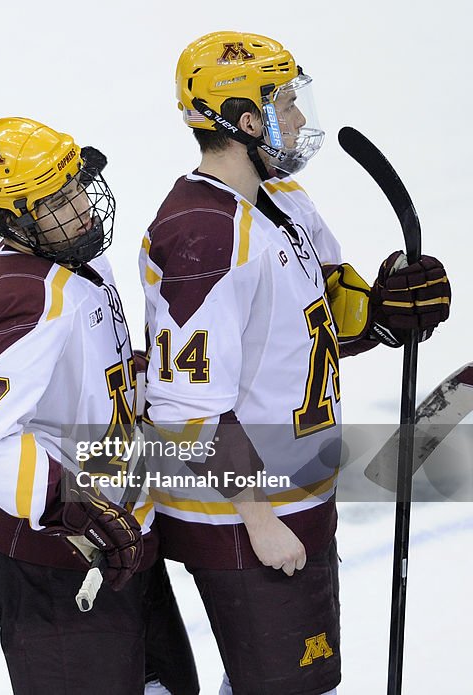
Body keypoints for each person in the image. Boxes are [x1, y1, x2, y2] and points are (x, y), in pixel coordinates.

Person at [139, 31, 451, 695]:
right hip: (239, 510)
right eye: (286, 103)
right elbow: (183, 406)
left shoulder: (284, 201)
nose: (301, 119)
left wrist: (389, 312)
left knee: (284, 681)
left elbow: (322, 320)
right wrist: (255, 516)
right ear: (245, 121)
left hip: (294, 488)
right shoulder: (202, 234)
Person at [0, 117, 198, 695]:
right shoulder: (27, 294)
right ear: (15, 221)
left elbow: (92, 378)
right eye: (59, 201)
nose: (83, 207)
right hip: (54, 557)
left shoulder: (80, 265)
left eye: (78, 188)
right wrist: (77, 504)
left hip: (115, 536)